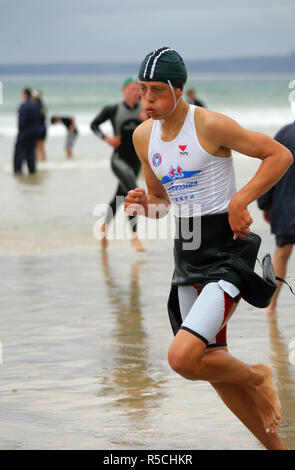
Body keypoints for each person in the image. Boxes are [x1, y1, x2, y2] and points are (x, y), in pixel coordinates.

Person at [124, 47, 293, 450]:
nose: (147, 100)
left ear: (178, 89)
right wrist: (144, 206)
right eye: (142, 90)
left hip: (227, 255)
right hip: (188, 255)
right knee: (212, 368)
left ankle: (258, 375)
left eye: (156, 91)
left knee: (183, 358)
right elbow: (162, 202)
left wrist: (241, 200)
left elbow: (279, 155)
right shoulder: (143, 136)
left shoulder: (211, 125)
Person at [90, 77, 148, 251]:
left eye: (136, 89)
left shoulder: (146, 110)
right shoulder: (113, 109)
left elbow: (161, 128)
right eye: (130, 88)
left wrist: (148, 121)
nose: (134, 92)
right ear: (124, 90)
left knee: (119, 197)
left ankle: (103, 227)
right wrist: (107, 139)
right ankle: (135, 236)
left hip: (136, 161)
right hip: (119, 159)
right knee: (133, 191)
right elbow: (94, 125)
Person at [257, 121, 295, 316]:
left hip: (287, 207)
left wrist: (265, 203)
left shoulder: (286, 133)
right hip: (287, 206)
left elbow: (269, 167)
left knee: (281, 254)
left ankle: (271, 308)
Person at [13, 88, 41, 174]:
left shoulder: (24, 105)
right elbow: (40, 119)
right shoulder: (36, 105)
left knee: (19, 151)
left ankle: (18, 170)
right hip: (34, 132)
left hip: (24, 132)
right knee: (30, 152)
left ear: (25, 94)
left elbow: (21, 121)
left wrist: (20, 129)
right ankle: (32, 170)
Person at [32, 89, 47, 161]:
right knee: (41, 146)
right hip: (43, 128)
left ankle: (38, 161)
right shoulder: (42, 106)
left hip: (39, 129)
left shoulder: (36, 106)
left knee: (38, 146)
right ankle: (43, 161)